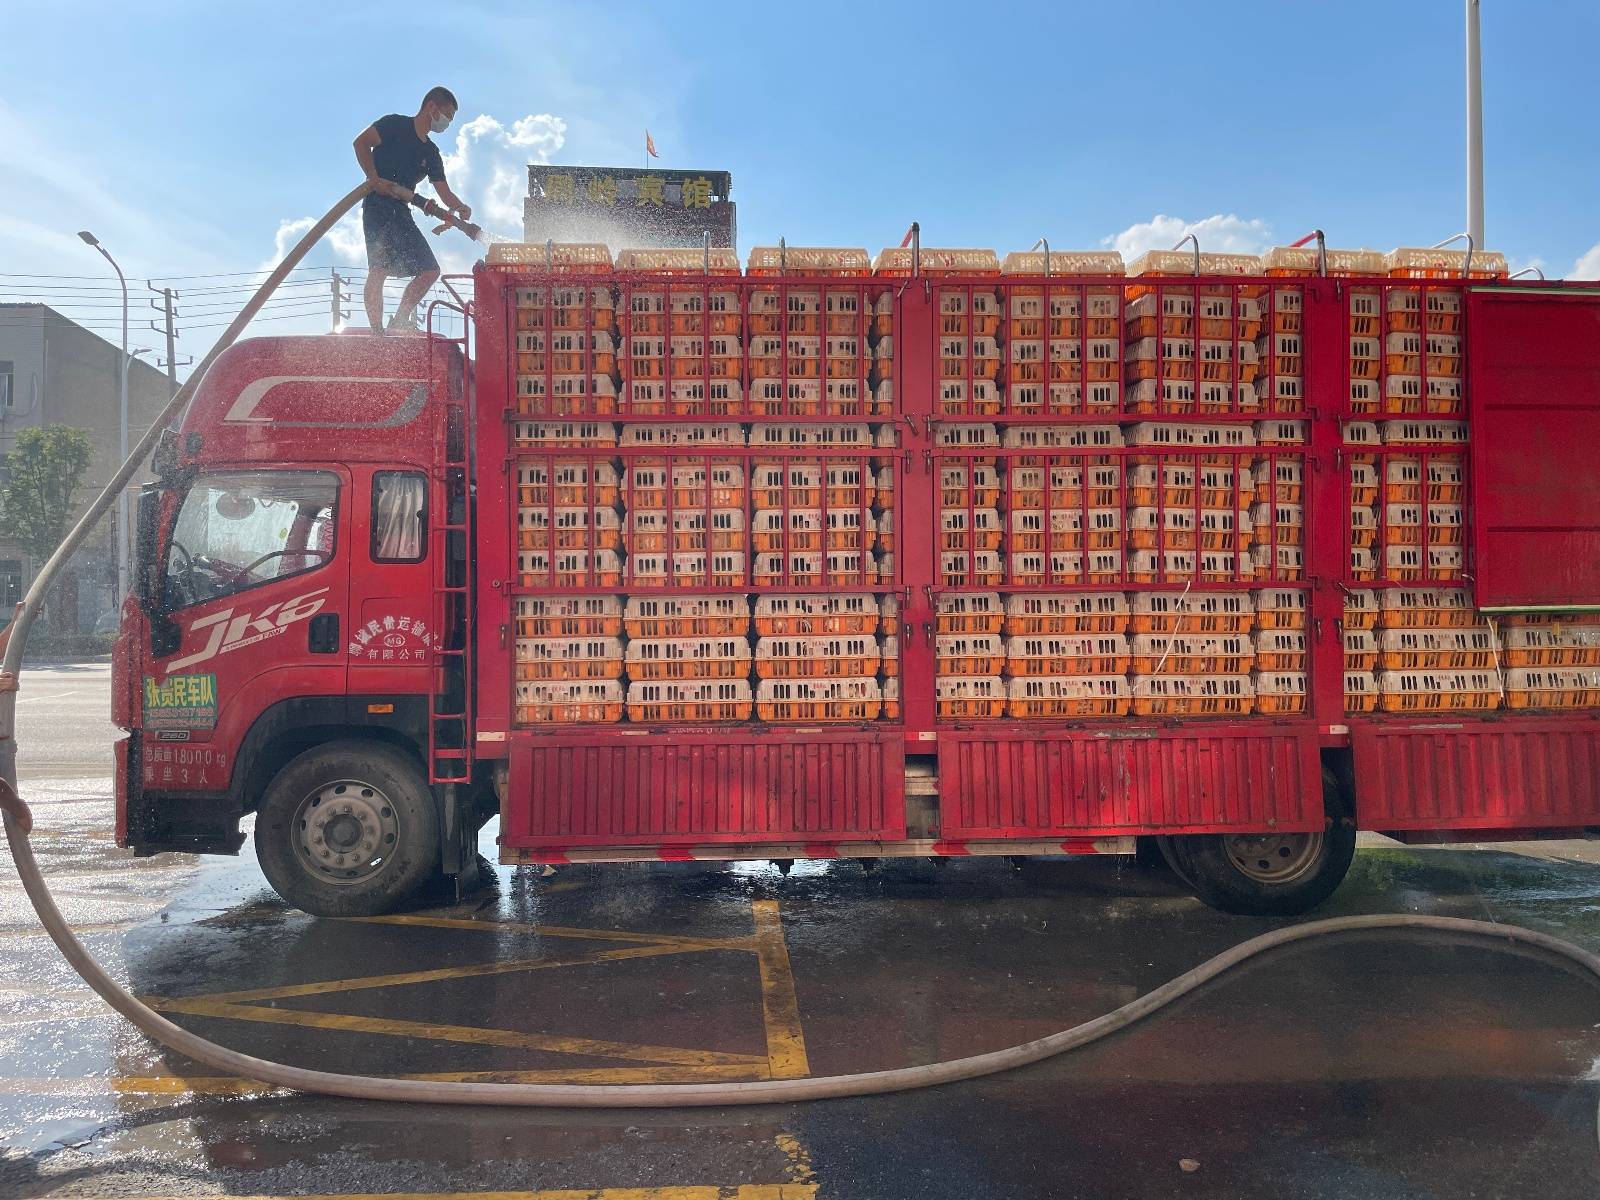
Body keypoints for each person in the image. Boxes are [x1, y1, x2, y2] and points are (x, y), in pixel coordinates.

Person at [353, 87, 472, 333]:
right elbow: (361, 143)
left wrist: (459, 207)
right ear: (431, 107)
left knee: (430, 270)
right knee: (379, 270)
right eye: (447, 116)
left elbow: (443, 191)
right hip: (377, 205)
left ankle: (399, 321)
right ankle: (377, 332)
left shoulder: (430, 152)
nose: (447, 123)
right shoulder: (394, 125)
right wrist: (373, 178)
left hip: (402, 209)